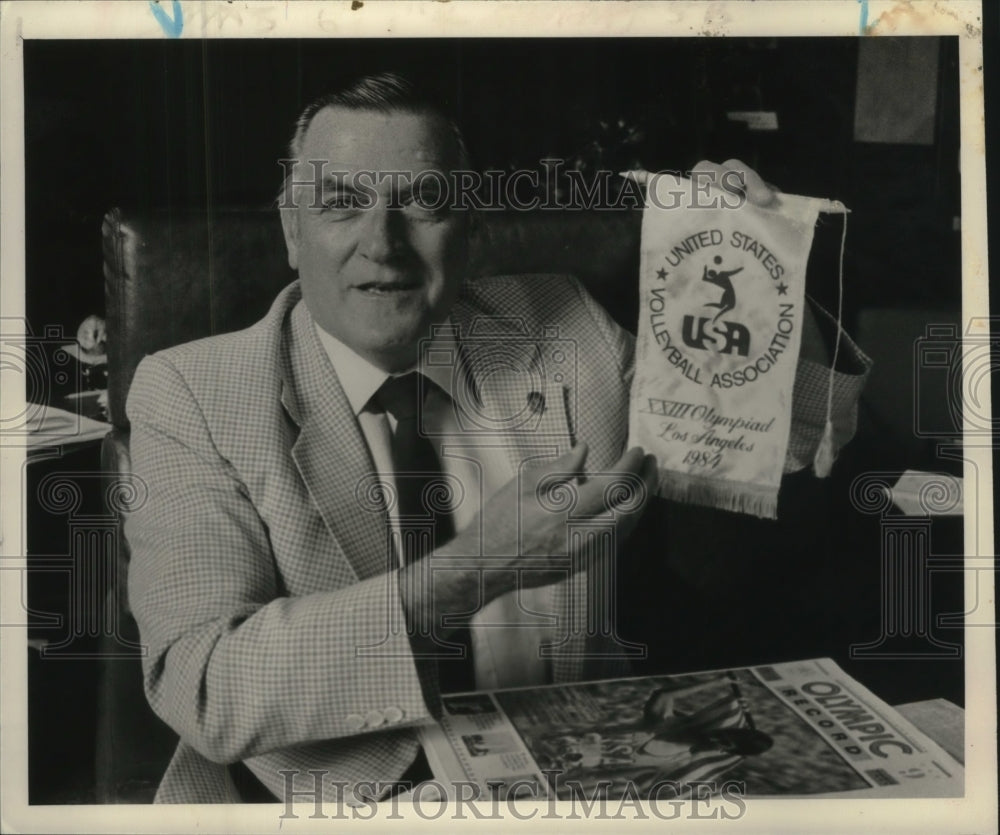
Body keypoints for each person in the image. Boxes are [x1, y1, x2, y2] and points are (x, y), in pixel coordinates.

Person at [125, 71, 864, 804]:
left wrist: (753, 266)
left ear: (474, 231)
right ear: (291, 230)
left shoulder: (566, 327)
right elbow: (204, 681)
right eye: (342, 205)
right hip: (319, 802)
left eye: (424, 204)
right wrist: (478, 567)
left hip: (570, 782)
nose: (382, 245)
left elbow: (795, 437)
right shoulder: (191, 393)